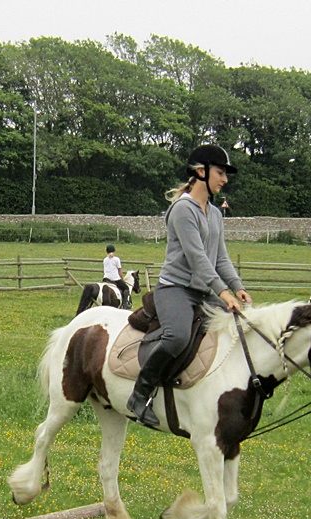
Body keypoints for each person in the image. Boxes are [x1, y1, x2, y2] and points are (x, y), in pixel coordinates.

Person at [126, 144, 252, 427]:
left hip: (203, 291)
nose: (225, 179)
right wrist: (223, 292)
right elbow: (198, 259)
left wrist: (237, 286)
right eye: (220, 172)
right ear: (201, 172)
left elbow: (220, 258)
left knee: (238, 325)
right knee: (177, 337)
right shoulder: (183, 210)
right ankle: (139, 395)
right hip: (176, 289)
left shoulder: (215, 214)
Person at [102, 244, 131, 309]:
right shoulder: (116, 259)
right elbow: (119, 271)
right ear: (114, 251)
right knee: (126, 288)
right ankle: (125, 304)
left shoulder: (105, 260)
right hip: (115, 279)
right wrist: (122, 279)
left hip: (106, 278)